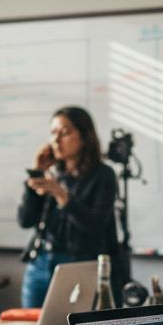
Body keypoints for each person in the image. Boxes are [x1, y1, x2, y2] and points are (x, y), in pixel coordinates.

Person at [17, 106, 121, 308]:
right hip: (40, 262)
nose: (56, 140)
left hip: (77, 264)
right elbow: (25, 220)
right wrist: (36, 173)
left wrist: (61, 195)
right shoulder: (52, 172)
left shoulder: (103, 175)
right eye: (53, 132)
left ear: (84, 137)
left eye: (64, 132)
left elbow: (95, 227)